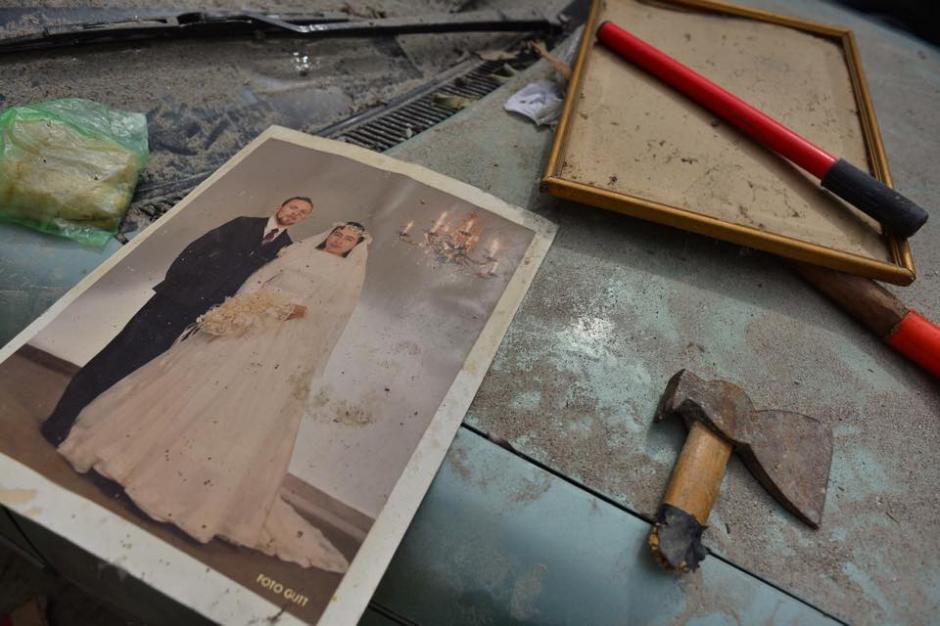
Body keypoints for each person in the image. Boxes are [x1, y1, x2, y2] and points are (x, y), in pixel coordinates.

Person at [57, 223, 371, 573]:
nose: (339, 241)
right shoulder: (297, 252)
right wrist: (242, 309)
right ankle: (120, 462)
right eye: (337, 234)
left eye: (347, 240)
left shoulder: (345, 275)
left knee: (233, 409)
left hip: (279, 342)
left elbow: (325, 314)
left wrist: (287, 310)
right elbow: (260, 279)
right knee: (183, 385)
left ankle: (185, 500)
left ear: (354, 247)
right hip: (249, 321)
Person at [40, 197, 314, 446]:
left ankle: (83, 430)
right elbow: (194, 251)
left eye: (301, 213)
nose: (294, 214)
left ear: (302, 219)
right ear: (280, 206)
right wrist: (176, 288)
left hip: (200, 316)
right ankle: (59, 422)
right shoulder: (243, 224)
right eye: (292, 207)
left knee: (139, 368)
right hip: (170, 301)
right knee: (116, 355)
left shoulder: (285, 249)